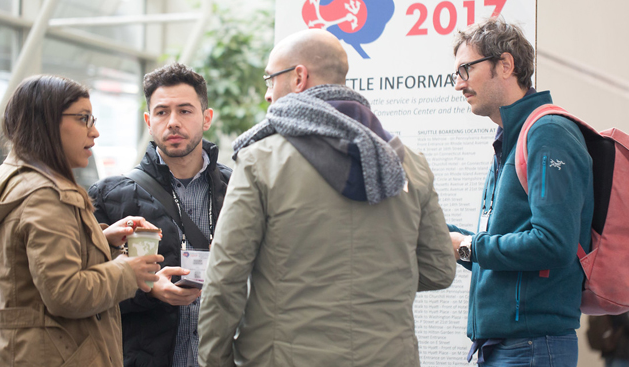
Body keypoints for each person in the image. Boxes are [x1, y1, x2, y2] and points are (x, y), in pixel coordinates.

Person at [197, 29, 456, 367]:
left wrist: (214, 360)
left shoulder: (261, 161)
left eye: (269, 80)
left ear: (299, 77)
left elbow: (225, 279)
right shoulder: (409, 163)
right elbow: (439, 270)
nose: (266, 95)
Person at [0, 75, 163, 367]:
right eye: (83, 119)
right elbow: (64, 292)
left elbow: (28, 267)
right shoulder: (45, 195)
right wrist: (128, 272)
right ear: (47, 121)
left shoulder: (10, 177)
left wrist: (99, 239)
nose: (95, 132)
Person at [448, 18, 595, 366]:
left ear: (506, 64)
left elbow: (552, 243)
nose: (458, 84)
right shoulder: (513, 140)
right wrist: (453, 241)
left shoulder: (549, 134)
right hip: (510, 347)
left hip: (531, 348)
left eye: (466, 69)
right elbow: (509, 247)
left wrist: (469, 245)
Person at [89, 63, 231, 367]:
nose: (173, 122)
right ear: (148, 121)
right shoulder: (110, 196)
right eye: (162, 112)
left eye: (185, 111)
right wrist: (148, 289)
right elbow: (86, 290)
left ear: (206, 118)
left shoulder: (239, 189)